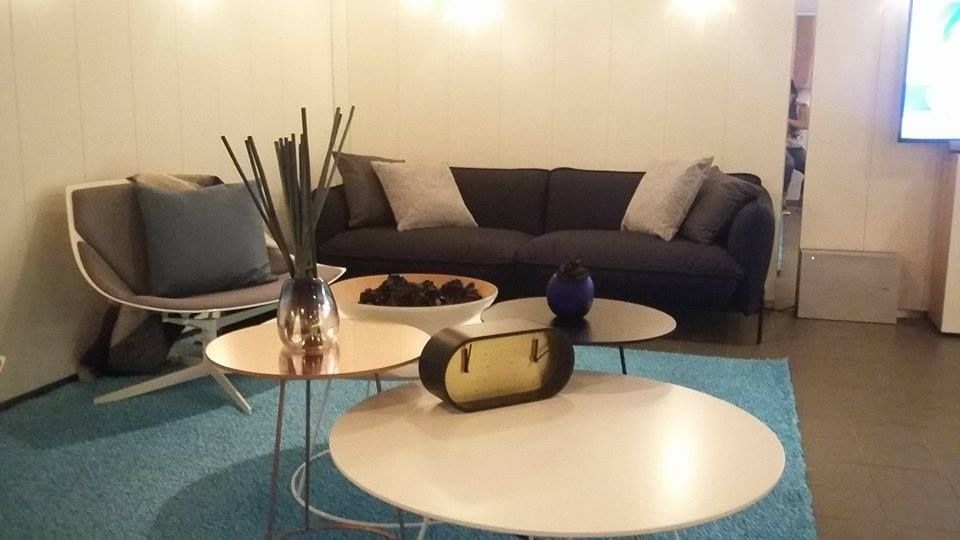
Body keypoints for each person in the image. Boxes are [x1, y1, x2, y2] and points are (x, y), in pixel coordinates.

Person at [784, 80, 810, 200]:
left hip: (796, 146)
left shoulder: (800, 106)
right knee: (788, 164)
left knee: (811, 167)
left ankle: (803, 200)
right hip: (784, 147)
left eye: (792, 95)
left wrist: (787, 120)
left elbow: (805, 124)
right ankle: (783, 198)